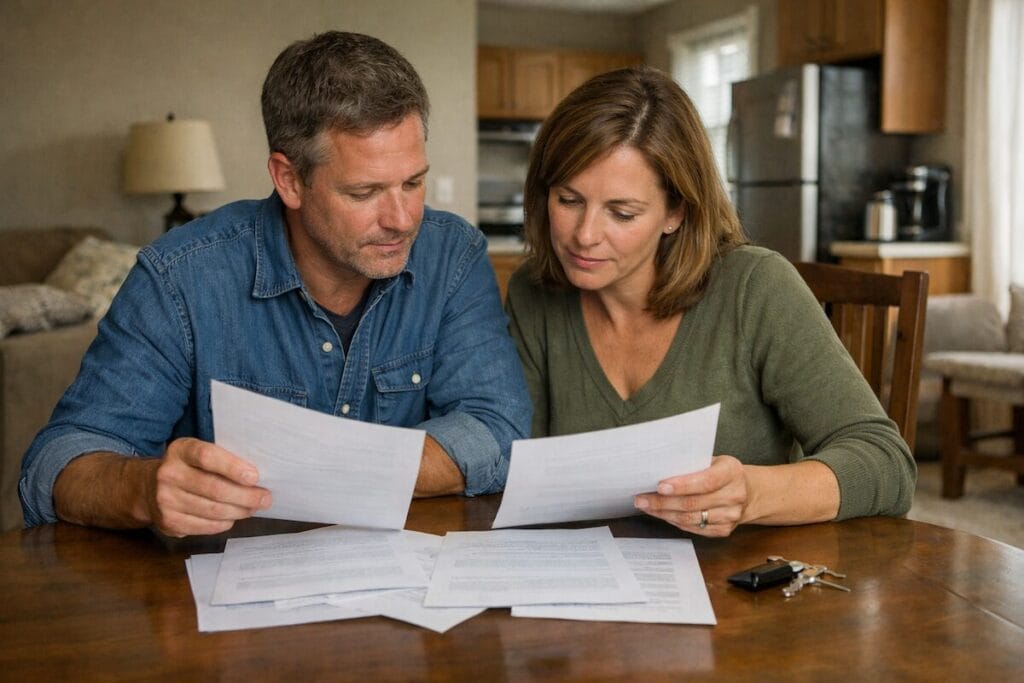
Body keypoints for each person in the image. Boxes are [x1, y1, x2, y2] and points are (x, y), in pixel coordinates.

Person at [20, 31, 531, 536]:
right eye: (364, 192)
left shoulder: (453, 256)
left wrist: (325, 471)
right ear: (289, 179)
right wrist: (141, 489)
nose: (402, 220)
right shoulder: (180, 277)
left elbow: (495, 428)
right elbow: (58, 465)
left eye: (413, 182)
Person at [505, 66, 916, 538]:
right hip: (585, 582)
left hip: (745, 591)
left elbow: (887, 464)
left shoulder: (755, 288)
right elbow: (517, 467)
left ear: (676, 212)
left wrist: (752, 495)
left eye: (622, 212)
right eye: (568, 200)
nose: (584, 235)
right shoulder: (532, 293)